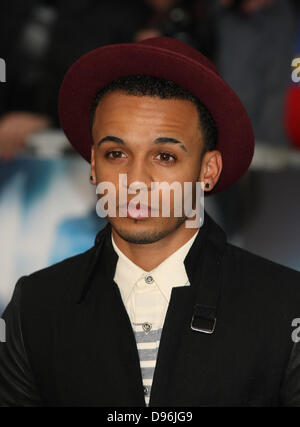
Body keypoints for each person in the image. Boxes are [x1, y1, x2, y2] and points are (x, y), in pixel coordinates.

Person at [0, 37, 300, 407]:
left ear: (208, 170)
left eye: (164, 156)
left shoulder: (286, 305)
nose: (135, 180)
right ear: (94, 165)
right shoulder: (36, 305)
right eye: (116, 153)